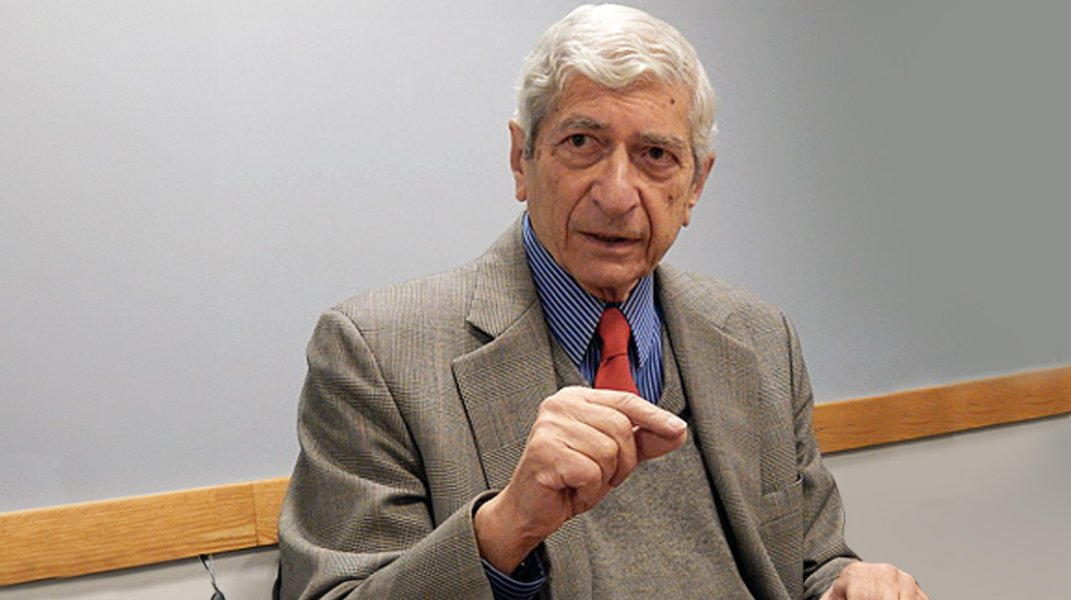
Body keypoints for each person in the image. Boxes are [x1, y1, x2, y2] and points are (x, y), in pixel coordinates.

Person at [278, 4, 928, 599]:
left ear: (696, 184)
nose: (617, 194)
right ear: (520, 159)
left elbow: (811, 565)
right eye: (583, 144)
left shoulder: (758, 340)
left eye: (655, 155)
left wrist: (850, 583)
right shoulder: (377, 354)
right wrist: (503, 530)